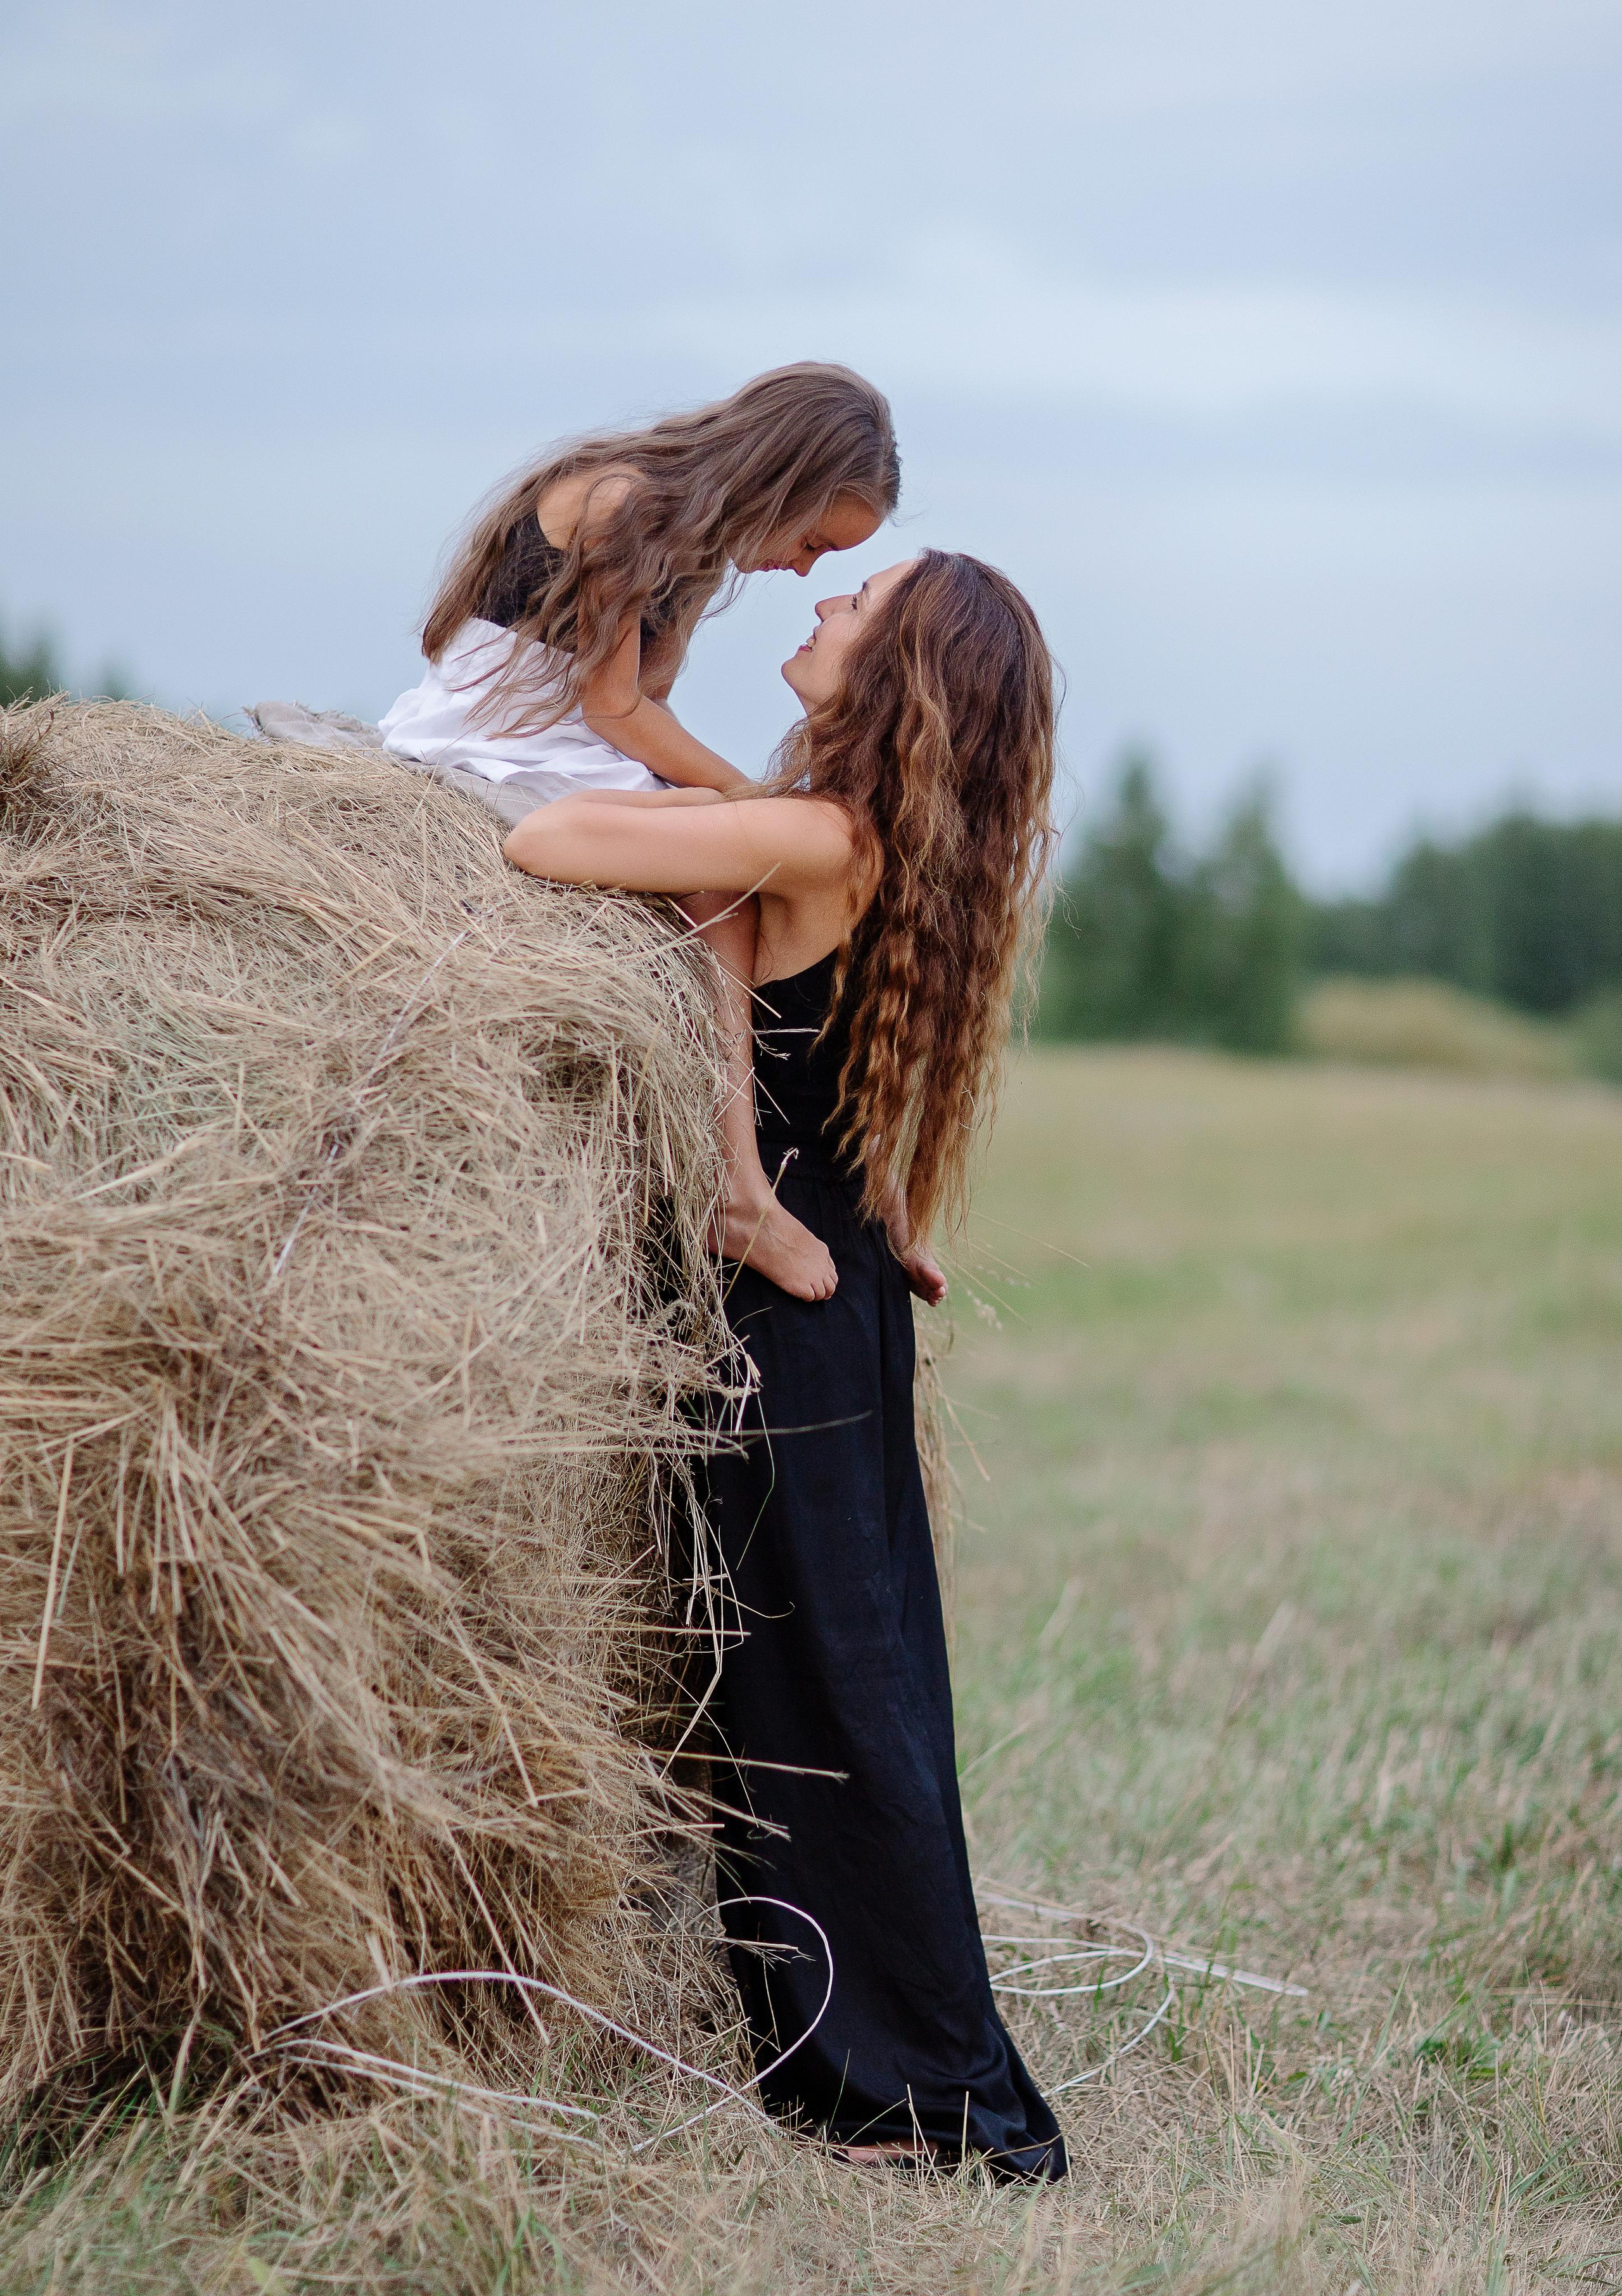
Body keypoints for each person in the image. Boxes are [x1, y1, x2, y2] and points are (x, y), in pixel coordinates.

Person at [503, 549, 1067, 2181]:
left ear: (893, 671)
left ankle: (906, 2086)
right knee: (854, 1675)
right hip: (840, 1297)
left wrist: (689, 808)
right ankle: (903, 2059)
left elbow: (546, 839)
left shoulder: (811, 834)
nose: (815, 614)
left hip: (783, 1309)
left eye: (850, 605)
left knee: (816, 1694)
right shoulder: (868, 833)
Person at [381, 363, 898, 1304]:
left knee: (742, 848)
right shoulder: (624, 503)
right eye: (816, 540)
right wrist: (746, 794)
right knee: (725, 878)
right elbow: (615, 705)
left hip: (570, 740)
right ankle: (737, 1186)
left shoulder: (690, 537)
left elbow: (643, 704)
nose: (808, 570)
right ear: (785, 478)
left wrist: (732, 804)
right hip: (503, 734)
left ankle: (868, 1173)